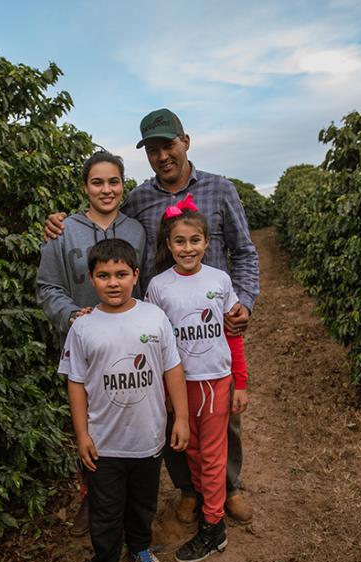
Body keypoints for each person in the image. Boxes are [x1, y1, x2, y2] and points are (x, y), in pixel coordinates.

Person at [45, 108, 259, 525]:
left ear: (186, 142)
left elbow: (246, 251)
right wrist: (59, 222)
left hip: (213, 326)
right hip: (162, 327)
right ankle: (187, 488)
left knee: (220, 414)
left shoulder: (220, 189)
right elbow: (103, 215)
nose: (163, 156)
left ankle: (227, 486)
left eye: (169, 146)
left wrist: (245, 302)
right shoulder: (140, 198)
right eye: (154, 150)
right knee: (168, 411)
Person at [59, 238, 189, 562]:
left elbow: (172, 369)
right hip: (105, 445)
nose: (112, 282)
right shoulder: (83, 328)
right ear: (91, 279)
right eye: (103, 276)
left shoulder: (154, 318)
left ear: (135, 275)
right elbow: (76, 383)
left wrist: (180, 417)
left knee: (143, 504)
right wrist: (82, 435)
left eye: (120, 274)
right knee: (105, 512)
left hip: (148, 440)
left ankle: (140, 548)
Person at [36, 151, 146, 536]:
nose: (106, 189)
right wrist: (71, 315)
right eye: (97, 182)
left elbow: (141, 284)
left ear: (123, 185)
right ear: (85, 187)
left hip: (130, 346)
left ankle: (133, 494)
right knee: (88, 422)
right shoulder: (63, 231)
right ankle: (92, 493)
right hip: (86, 347)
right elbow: (47, 286)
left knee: (128, 413)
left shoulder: (136, 230)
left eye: (113, 182)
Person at [146, 197, 248, 562]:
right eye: (179, 241)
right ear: (168, 245)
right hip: (180, 383)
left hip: (215, 381)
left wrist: (242, 381)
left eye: (194, 240)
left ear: (206, 243)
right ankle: (208, 504)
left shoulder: (219, 279)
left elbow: (233, 333)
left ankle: (214, 526)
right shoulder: (158, 287)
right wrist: (163, 391)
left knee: (212, 453)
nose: (187, 248)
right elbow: (157, 342)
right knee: (188, 447)